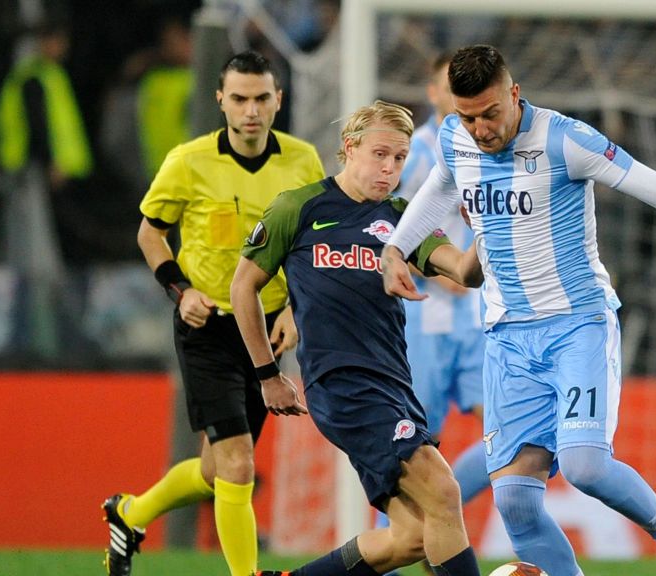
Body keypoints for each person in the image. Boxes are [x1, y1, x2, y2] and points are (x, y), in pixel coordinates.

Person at [383, 45, 656, 576]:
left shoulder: (566, 139)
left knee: (584, 465)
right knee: (514, 501)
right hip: (508, 338)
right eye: (468, 117)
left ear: (515, 95)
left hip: (575, 325)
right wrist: (397, 248)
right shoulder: (454, 138)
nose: (480, 130)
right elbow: (438, 190)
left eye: (490, 114)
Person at [232, 100, 483, 576]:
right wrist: (267, 375)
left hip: (395, 387)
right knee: (445, 491)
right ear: (350, 148)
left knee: (411, 537)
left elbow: (465, 273)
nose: (389, 169)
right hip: (342, 383)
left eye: (400, 158)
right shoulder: (299, 208)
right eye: (380, 154)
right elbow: (242, 287)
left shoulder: (402, 217)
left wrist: (485, 230)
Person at [102, 50, 325, 576]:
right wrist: (181, 291)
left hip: (266, 331)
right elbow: (149, 233)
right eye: (240, 99)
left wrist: (294, 308)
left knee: (216, 468)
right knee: (240, 464)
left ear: (278, 102)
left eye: (261, 99)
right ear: (220, 100)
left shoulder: (303, 161)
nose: (251, 110)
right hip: (207, 326)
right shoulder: (188, 160)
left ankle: (130, 513)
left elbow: (311, 245)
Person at [380, 53, 491, 576]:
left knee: (509, 437)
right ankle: (396, 546)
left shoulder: (488, 153)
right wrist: (445, 275)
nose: (460, 93)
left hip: (474, 323)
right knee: (409, 455)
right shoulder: (419, 153)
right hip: (423, 321)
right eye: (451, 86)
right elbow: (391, 234)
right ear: (432, 92)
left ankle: (439, 522)